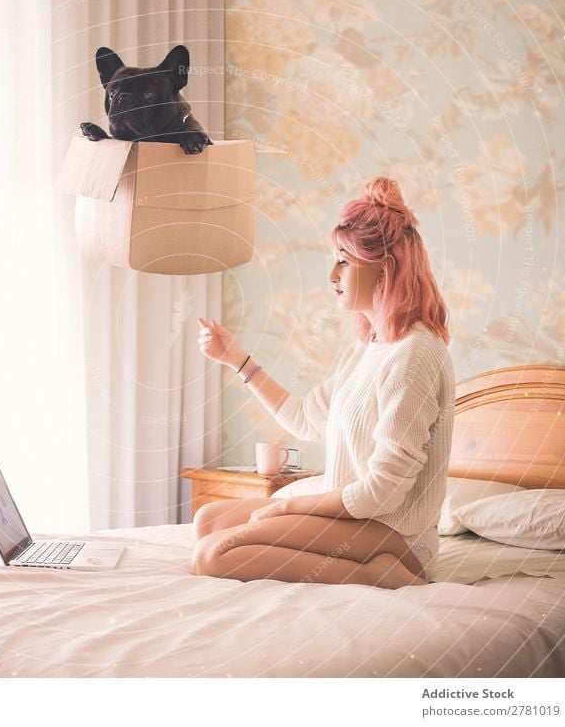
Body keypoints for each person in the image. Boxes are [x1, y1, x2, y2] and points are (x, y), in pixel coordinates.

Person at [193, 176, 455, 590]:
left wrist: (290, 508)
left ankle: (378, 576)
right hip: (353, 520)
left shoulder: (415, 355)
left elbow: (382, 494)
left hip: (393, 536)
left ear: (384, 267)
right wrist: (236, 359)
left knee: (213, 555)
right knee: (207, 521)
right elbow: (304, 419)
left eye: (344, 261)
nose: (332, 274)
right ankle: (344, 561)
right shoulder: (368, 346)